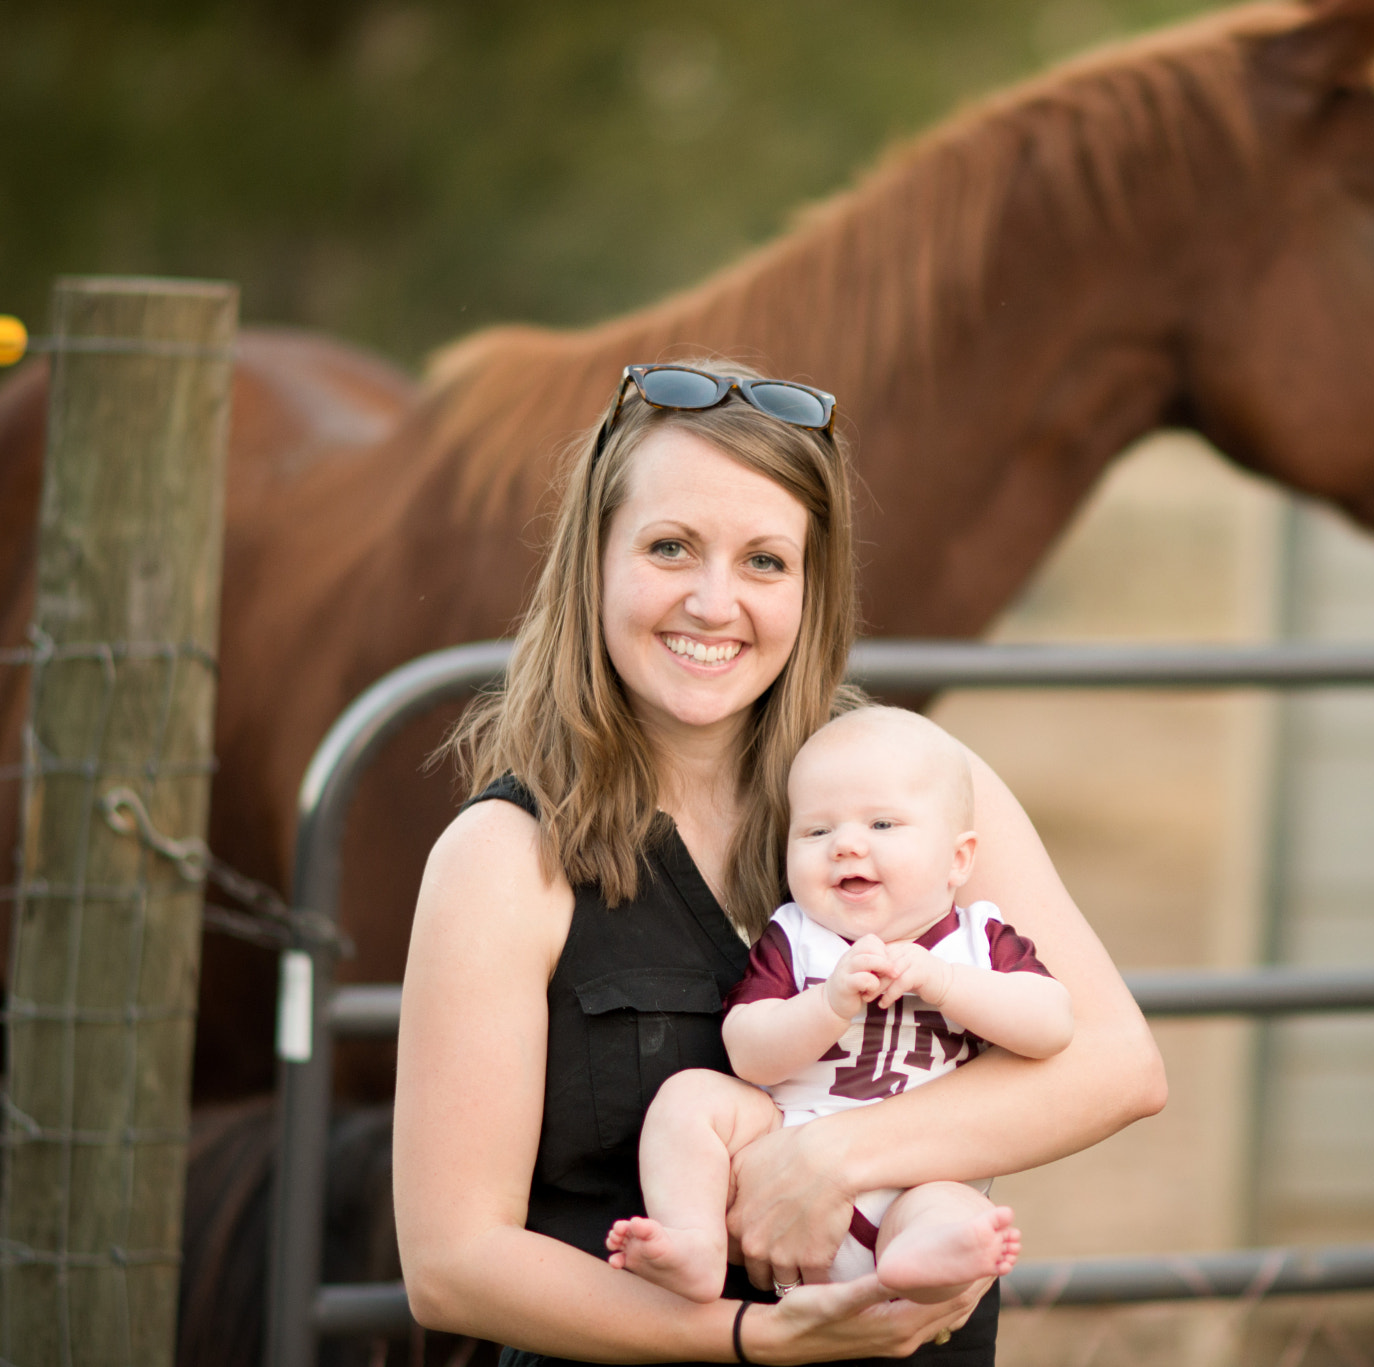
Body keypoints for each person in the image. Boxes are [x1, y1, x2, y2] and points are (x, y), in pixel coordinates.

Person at [392, 360, 1166, 1366]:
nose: (715, 603)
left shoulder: (920, 788)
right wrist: (749, 1335)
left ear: (811, 583)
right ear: (593, 559)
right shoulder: (505, 856)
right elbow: (451, 1260)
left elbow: (1116, 1062)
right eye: (670, 547)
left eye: (765, 561)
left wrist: (831, 1156)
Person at [605, 706, 1073, 1306]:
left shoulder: (977, 940)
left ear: (958, 859)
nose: (846, 846)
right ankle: (694, 1241)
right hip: (780, 1150)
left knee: (949, 1209)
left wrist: (944, 982)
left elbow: (1052, 1023)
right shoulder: (797, 936)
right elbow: (748, 1051)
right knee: (689, 1099)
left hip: (917, 1176)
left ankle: (919, 1261)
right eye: (817, 832)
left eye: (881, 825)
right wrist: (825, 1005)